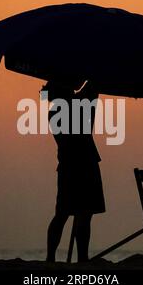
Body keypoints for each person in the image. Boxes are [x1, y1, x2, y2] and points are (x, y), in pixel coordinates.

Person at [44, 80, 105, 263]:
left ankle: (54, 258)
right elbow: (90, 92)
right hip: (81, 165)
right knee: (78, 214)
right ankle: (78, 258)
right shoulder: (66, 109)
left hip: (72, 166)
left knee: (67, 213)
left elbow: (89, 94)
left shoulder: (60, 109)